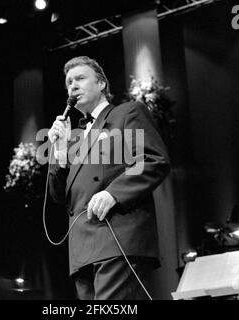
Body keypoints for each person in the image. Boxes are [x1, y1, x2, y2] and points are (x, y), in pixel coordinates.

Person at [47, 56, 170, 300]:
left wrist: (114, 193)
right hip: (82, 251)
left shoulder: (127, 113)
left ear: (102, 84)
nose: (72, 85)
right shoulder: (75, 139)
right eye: (69, 82)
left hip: (117, 237)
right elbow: (58, 196)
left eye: (80, 78)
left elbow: (153, 159)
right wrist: (60, 153)